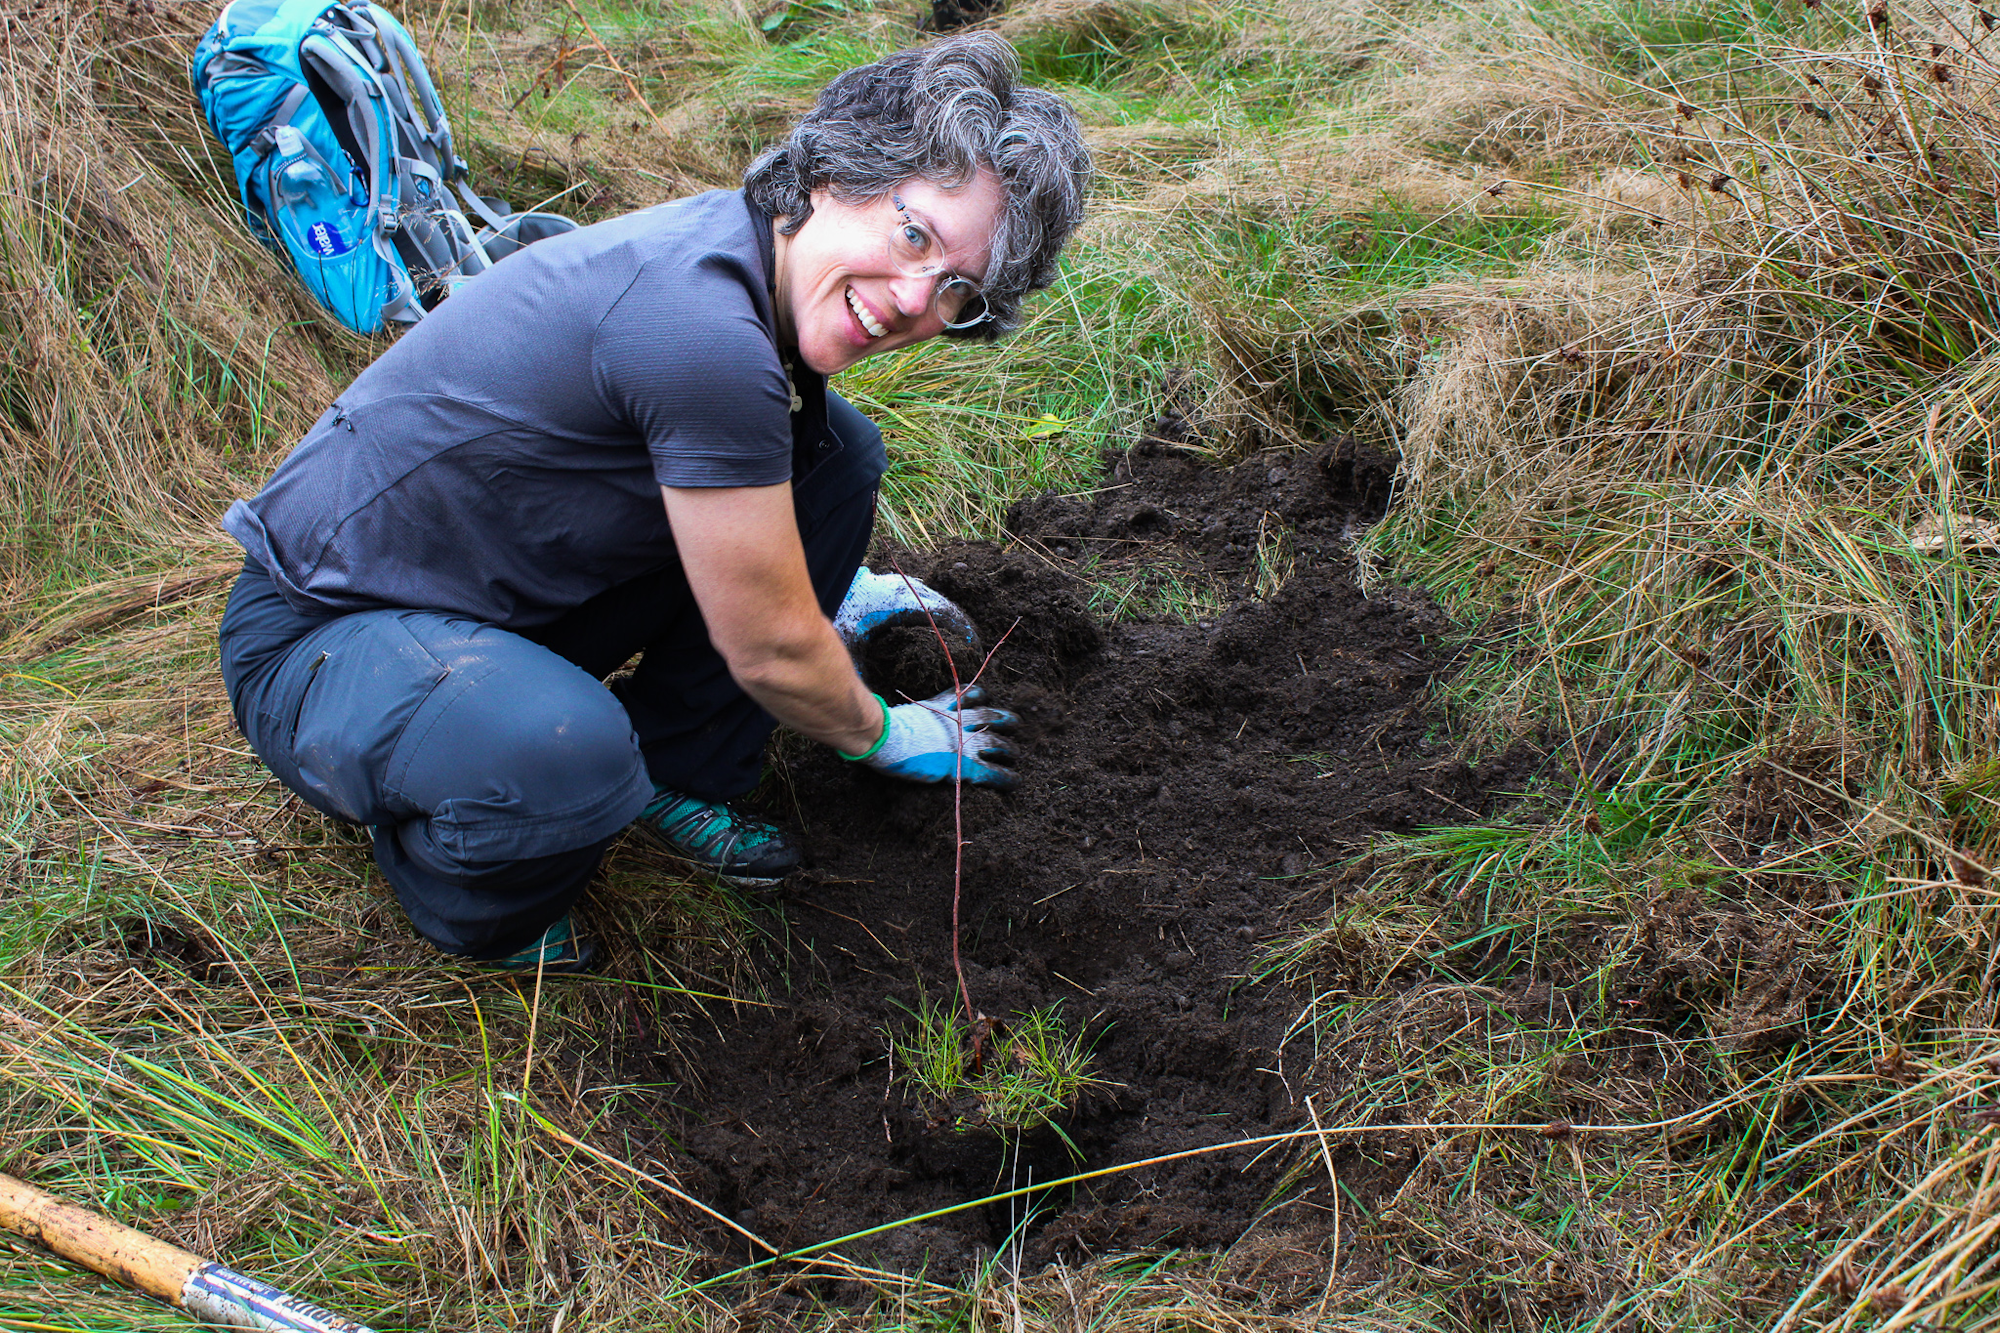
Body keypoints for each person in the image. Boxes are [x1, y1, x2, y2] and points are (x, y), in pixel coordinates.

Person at [215, 34, 1092, 971]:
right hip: (320, 634)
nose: (916, 297)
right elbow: (770, 646)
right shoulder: (703, 333)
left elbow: (743, 514)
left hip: (483, 594)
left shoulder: (747, 263)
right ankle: (477, 900)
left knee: (839, 460)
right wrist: (879, 731)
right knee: (573, 756)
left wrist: (824, 588)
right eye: (913, 234)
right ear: (840, 173)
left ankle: (678, 768)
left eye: (959, 289)